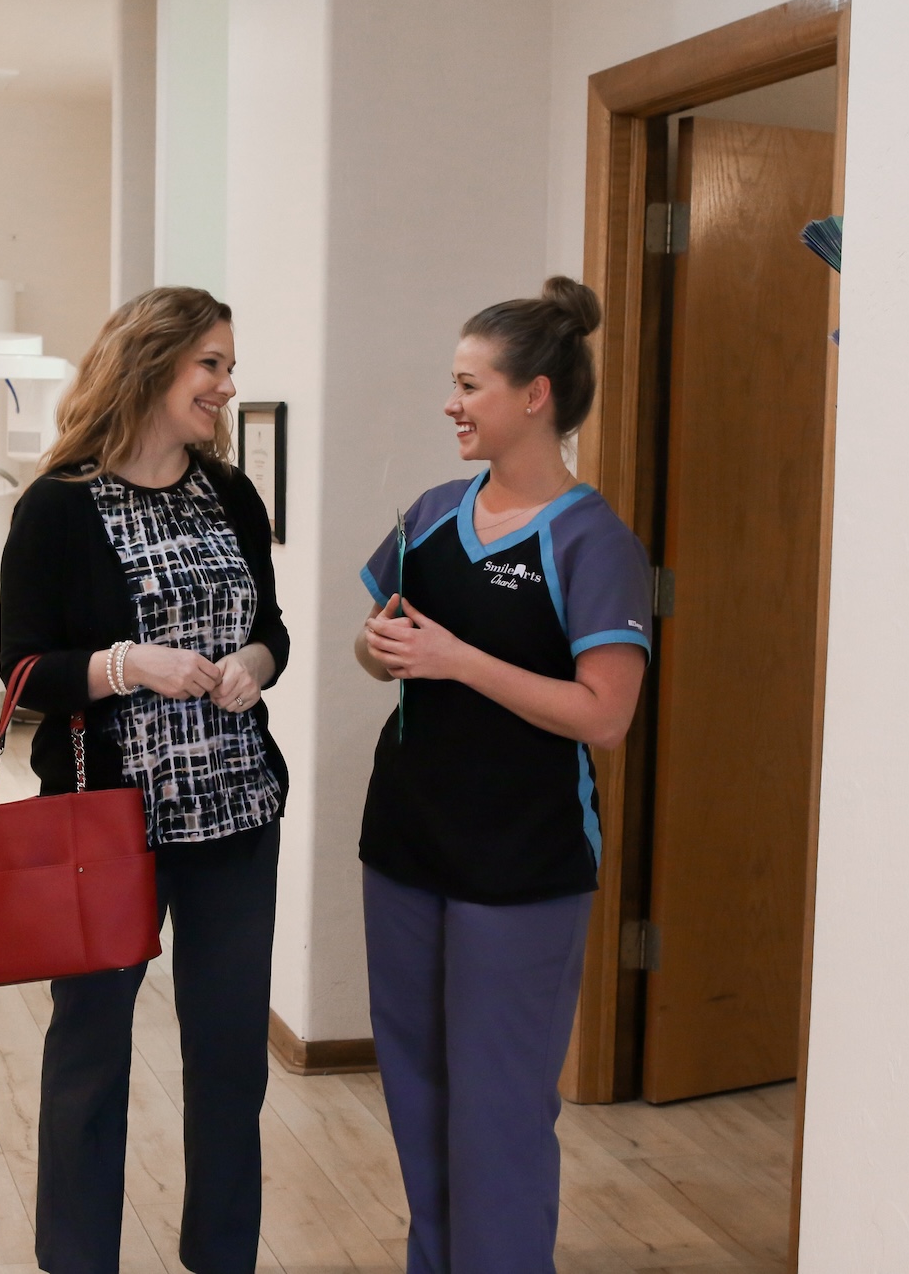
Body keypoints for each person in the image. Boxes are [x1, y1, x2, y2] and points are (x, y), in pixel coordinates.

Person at [354, 276, 652, 1273]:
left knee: (499, 1105)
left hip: (521, 861)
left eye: (468, 384)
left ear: (534, 395)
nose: (451, 403)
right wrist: (380, 646)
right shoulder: (434, 513)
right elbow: (385, 646)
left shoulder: (591, 541)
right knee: (417, 1089)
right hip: (402, 840)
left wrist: (457, 661)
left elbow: (603, 715)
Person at [0, 286, 289, 1274]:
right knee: (88, 1052)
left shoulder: (230, 493)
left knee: (227, 1061)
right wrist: (128, 664)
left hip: (236, 816)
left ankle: (222, 1257)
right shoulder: (58, 505)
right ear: (152, 363)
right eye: (210, 362)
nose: (225, 383)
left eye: (227, 363)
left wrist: (254, 659)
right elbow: (22, 670)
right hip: (103, 821)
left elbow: (272, 624)